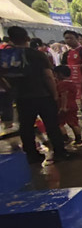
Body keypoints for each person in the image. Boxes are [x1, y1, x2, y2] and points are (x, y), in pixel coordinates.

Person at [4, 26, 70, 163]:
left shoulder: (7, 56)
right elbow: (48, 76)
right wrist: (54, 93)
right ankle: (60, 151)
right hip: (42, 95)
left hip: (21, 97)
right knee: (52, 124)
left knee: (26, 127)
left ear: (10, 39)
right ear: (27, 38)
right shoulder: (37, 55)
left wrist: (10, 88)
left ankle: (31, 154)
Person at [54, 65, 82, 146]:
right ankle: (79, 139)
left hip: (65, 106)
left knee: (59, 123)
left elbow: (64, 95)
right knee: (74, 123)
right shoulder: (72, 83)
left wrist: (63, 107)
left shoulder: (62, 84)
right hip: (73, 105)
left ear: (60, 74)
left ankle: (65, 138)